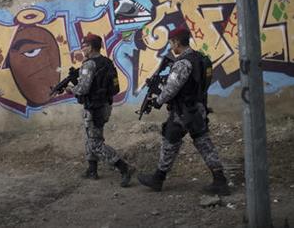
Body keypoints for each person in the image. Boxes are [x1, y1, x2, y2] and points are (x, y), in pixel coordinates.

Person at [137, 27, 230, 195]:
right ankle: (220, 179)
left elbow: (172, 88)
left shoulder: (183, 63)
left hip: (184, 112)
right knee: (203, 142)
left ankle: (158, 178)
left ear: (177, 42)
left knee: (169, 140)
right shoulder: (201, 59)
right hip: (197, 108)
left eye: (171, 42)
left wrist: (157, 101)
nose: (171, 46)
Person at [66, 33, 134, 187]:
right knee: (90, 137)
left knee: (95, 143)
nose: (82, 49)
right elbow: (114, 87)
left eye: (84, 46)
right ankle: (92, 169)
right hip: (104, 106)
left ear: (90, 47)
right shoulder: (107, 62)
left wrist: (71, 89)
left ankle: (124, 167)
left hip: (94, 108)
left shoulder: (89, 64)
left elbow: (83, 88)